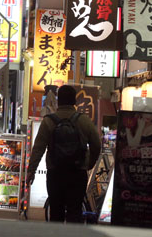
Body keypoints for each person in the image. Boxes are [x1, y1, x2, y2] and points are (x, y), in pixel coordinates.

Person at [27, 85, 101, 223]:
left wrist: (31, 171)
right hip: (78, 173)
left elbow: (38, 149)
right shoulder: (84, 121)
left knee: (56, 211)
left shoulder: (48, 121)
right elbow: (97, 145)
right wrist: (89, 163)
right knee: (75, 211)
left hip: (55, 174)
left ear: (58, 100)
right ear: (75, 101)